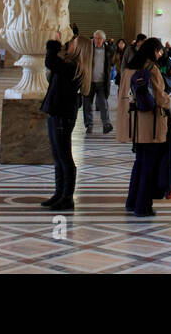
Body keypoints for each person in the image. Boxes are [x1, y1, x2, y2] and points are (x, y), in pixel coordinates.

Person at [116, 37, 171, 217]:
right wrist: (168, 100)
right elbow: (160, 97)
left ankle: (131, 201)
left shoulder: (128, 69)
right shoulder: (151, 69)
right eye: (158, 50)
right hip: (151, 122)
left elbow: (123, 96)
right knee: (149, 165)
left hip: (135, 122)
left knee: (139, 163)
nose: (160, 53)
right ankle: (142, 206)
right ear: (152, 51)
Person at [40, 35, 90, 211]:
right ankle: (59, 193)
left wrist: (53, 43)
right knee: (57, 156)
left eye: (73, 43)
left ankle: (67, 197)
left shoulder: (74, 67)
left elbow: (50, 61)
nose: (69, 44)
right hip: (57, 112)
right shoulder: (69, 64)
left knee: (65, 157)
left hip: (62, 115)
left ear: (79, 48)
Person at [82, 30, 116, 134]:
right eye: (95, 38)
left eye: (99, 38)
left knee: (103, 104)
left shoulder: (109, 50)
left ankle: (106, 124)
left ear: (104, 40)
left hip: (102, 82)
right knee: (87, 104)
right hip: (89, 81)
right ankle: (89, 124)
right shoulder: (88, 49)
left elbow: (112, 62)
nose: (97, 40)